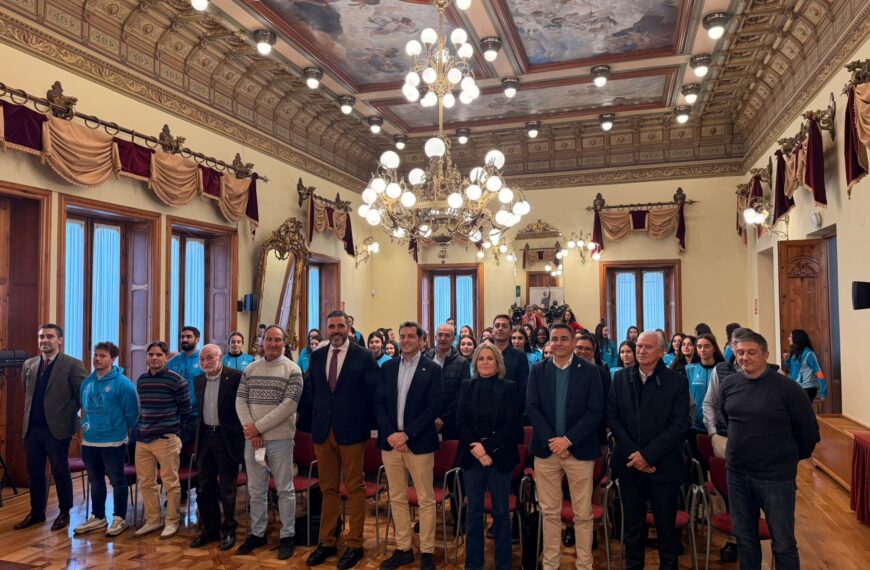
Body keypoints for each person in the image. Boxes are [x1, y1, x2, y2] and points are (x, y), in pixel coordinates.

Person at [720, 331, 819, 570]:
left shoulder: (788, 389)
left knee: (783, 543)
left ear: (765, 354)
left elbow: (808, 433)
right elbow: (728, 420)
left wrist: (785, 459)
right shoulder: (729, 384)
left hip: (775, 478)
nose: (745, 358)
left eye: (751, 352)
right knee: (745, 539)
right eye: (740, 352)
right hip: (737, 475)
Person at [303, 310, 380, 569]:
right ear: (326, 329)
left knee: (355, 488)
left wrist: (363, 424)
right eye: (331, 326)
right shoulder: (317, 357)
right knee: (328, 488)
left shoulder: (365, 356)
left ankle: (355, 543)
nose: (336, 331)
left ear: (349, 328)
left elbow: (373, 395)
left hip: (352, 432)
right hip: (323, 431)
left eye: (340, 326)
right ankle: (326, 541)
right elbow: (314, 391)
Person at [608, 331, 689, 570]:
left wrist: (648, 455)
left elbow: (679, 425)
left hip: (663, 467)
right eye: (639, 346)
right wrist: (636, 454)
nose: (641, 351)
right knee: (633, 527)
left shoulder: (677, 381)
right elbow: (612, 417)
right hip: (630, 465)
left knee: (666, 528)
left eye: (648, 347)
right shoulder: (621, 378)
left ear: (662, 352)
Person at [527, 323, 603, 570]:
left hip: (579, 451)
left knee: (582, 514)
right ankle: (550, 564)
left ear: (572, 342)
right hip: (546, 451)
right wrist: (554, 441)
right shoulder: (538, 370)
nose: (558, 343)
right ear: (548, 343)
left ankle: (584, 564)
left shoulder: (591, 372)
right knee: (549, 513)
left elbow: (594, 412)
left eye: (563, 339)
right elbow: (533, 408)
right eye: (554, 339)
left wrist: (568, 440)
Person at [376, 322, 442, 570]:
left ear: (422, 340)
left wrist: (407, 435)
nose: (406, 340)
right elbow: (379, 404)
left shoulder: (432, 369)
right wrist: (392, 433)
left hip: (419, 444)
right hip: (390, 443)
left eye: (411, 336)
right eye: (402, 336)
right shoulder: (388, 367)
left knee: (426, 499)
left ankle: (426, 551)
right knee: (397, 497)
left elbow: (432, 407)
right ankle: (403, 548)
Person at [235, 326, 304, 559]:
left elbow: (288, 406)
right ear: (261, 342)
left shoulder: (293, 370)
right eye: (269, 339)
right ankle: (257, 533)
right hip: (253, 440)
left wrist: (258, 428)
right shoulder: (250, 369)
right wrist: (251, 431)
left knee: (285, 489)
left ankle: (287, 535)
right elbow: (240, 401)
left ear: (284, 343)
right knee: (255, 491)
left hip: (281, 440)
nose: (273, 343)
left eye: (278, 340)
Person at [15, 324, 87, 532]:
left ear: (60, 340)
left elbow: (81, 394)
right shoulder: (29, 364)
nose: (44, 340)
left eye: (49, 336)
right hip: (33, 428)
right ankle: (37, 512)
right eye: (41, 337)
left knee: (60, 470)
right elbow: (26, 391)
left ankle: (64, 512)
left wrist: (67, 415)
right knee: (35, 472)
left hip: (58, 428)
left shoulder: (72, 364)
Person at [457, 344, 521, 570]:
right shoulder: (466, 386)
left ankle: (503, 564)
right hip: (471, 456)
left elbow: (511, 424)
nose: (485, 362)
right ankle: (473, 563)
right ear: (475, 362)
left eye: (490, 359)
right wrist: (477, 449)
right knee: (474, 512)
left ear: (498, 363)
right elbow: (461, 422)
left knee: (501, 513)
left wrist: (487, 448)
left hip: (500, 456)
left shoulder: (509, 387)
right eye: (481, 358)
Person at [74, 342, 138, 537]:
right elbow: (83, 407)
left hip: (113, 441)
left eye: (102, 356)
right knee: (95, 480)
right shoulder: (87, 382)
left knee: (117, 480)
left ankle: (119, 517)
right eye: (96, 355)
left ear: (112, 359)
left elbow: (132, 414)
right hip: (90, 440)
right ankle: (98, 517)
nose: (97, 359)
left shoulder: (123, 383)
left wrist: (118, 430)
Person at [133, 341, 192, 539]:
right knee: (146, 482)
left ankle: (172, 521)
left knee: (170, 483)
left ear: (166, 357)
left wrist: (172, 429)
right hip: (143, 439)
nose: (154, 358)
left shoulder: (177, 381)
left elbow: (185, 411)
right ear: (146, 357)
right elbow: (142, 408)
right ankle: (153, 520)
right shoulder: (141, 380)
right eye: (151, 354)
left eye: (159, 355)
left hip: (166, 439)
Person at [190, 344, 246, 551]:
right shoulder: (199, 379)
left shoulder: (236, 377)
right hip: (205, 438)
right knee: (204, 487)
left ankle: (229, 530)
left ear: (220, 357)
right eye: (202, 359)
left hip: (227, 438)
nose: (205, 362)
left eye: (209, 358)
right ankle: (210, 530)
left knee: (227, 489)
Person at [685, 334, 725, 473]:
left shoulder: (722, 369)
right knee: (697, 466)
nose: (703, 350)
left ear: (714, 348)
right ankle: (701, 492)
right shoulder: (689, 369)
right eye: (699, 346)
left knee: (718, 465)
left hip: (719, 427)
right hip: (696, 425)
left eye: (707, 346)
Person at [426, 323, 471, 441]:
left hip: (451, 423)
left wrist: (442, 419)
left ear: (453, 339)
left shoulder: (462, 363)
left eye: (447, 335)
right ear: (435, 337)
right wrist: (429, 418)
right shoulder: (424, 359)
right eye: (440, 335)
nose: (443, 338)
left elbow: (461, 396)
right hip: (425, 422)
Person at [491, 314, 530, 416]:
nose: (500, 329)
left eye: (504, 326)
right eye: (497, 325)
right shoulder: (486, 354)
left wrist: (513, 411)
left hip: (512, 413)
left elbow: (523, 387)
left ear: (511, 331)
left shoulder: (519, 356)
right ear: (492, 331)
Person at [166, 326, 202, 417]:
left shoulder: (203, 361)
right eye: (182, 337)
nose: (184, 339)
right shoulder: (171, 363)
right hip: (175, 414)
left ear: (197, 339)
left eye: (189, 337)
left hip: (197, 414)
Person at [783, 329, 827, 402]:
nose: (788, 338)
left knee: (799, 411)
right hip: (795, 387)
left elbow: (819, 372)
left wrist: (823, 392)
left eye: (791, 336)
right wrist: (787, 360)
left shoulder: (809, 354)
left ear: (797, 338)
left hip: (807, 388)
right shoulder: (794, 353)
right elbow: (791, 371)